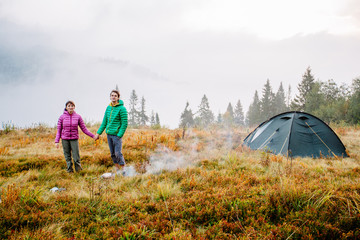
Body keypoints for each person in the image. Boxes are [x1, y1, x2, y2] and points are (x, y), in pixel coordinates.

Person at [55, 101, 96, 173]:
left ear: (74, 107)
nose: (70, 107)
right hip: (65, 139)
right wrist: (57, 141)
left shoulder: (78, 117)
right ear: (66, 107)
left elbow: (84, 129)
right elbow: (59, 130)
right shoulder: (62, 117)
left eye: (72, 106)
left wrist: (93, 136)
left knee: (76, 157)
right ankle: (70, 170)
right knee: (67, 156)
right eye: (69, 106)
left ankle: (79, 171)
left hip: (74, 139)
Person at [94, 90, 128, 175]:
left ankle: (124, 169)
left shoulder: (122, 109)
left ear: (118, 97)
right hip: (109, 135)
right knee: (112, 154)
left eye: (115, 96)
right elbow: (104, 122)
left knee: (118, 153)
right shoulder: (108, 108)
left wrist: (119, 134)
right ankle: (117, 169)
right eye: (112, 95)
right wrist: (98, 133)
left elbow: (125, 123)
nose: (113, 97)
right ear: (110, 97)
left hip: (116, 135)